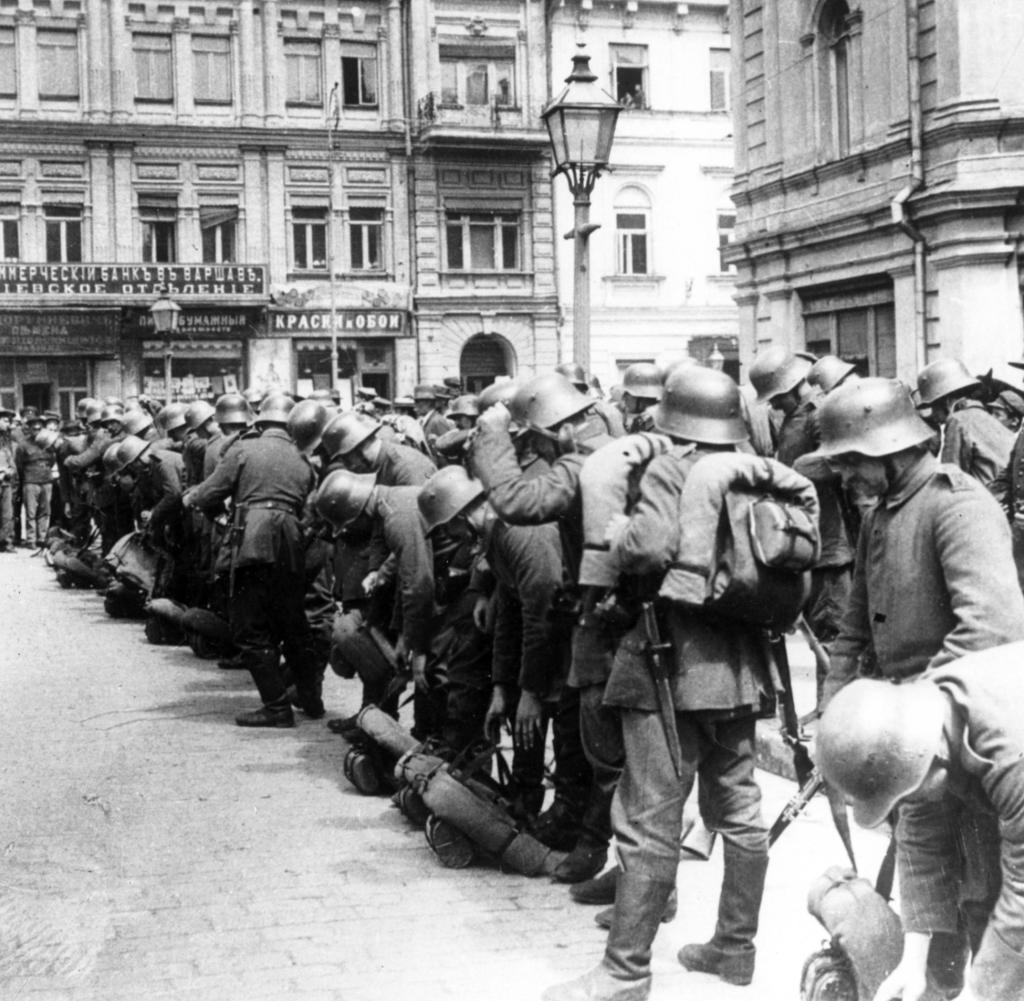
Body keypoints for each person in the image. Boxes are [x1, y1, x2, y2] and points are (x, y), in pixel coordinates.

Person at [545, 366, 775, 1001]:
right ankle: (735, 947)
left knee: (648, 820)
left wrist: (616, 534)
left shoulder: (674, 468)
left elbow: (645, 550)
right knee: (740, 812)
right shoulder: (755, 467)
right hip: (741, 667)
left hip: (666, 666)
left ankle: (624, 973)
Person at [817, 642, 1024, 1001]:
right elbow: (920, 835)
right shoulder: (919, 724)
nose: (909, 805)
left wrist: (978, 992)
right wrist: (912, 964)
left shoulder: (1009, 748)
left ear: (935, 763)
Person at [183, 393, 322, 727]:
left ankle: (276, 707)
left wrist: (192, 497)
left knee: (250, 627)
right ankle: (311, 698)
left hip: (252, 542)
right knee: (293, 623)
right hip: (291, 542)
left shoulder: (243, 448)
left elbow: (213, 490)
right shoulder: (303, 458)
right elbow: (312, 507)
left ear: (258, 421)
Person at [916, 357, 1013, 498]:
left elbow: (950, 480)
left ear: (947, 401)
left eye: (933, 406)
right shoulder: (984, 416)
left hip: (980, 504)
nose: (933, 415)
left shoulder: (957, 421)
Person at [0, 407, 15, 552]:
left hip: (5, 483)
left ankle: (6, 542)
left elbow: (11, 463)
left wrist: (8, 471)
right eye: (4, 420)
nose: (8, 423)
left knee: (7, 514)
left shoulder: (5, 440)